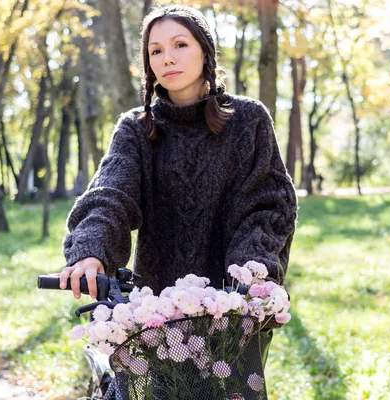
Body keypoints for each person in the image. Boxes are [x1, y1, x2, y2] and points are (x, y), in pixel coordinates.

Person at [58, 5, 298, 369]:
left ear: (206, 51)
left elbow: (266, 207)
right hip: (153, 312)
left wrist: (252, 277)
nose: (167, 58)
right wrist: (93, 251)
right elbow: (111, 194)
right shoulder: (136, 128)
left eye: (180, 44)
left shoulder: (249, 121)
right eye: (155, 51)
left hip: (231, 311)